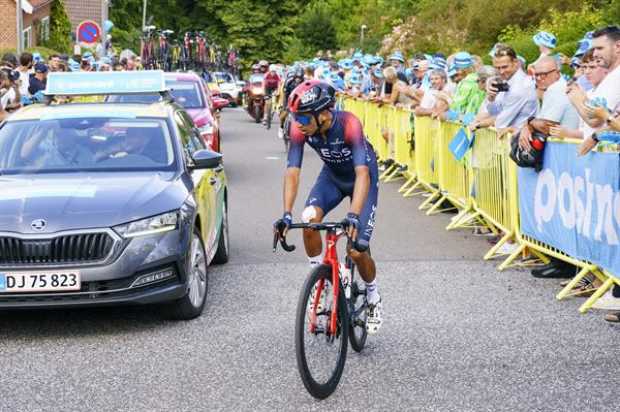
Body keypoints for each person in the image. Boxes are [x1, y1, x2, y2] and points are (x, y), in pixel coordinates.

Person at [273, 80, 383, 334]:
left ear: (323, 114)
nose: (298, 122)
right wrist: (286, 214)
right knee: (308, 219)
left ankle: (373, 295)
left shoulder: (349, 124)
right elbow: (292, 171)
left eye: (302, 117)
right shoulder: (300, 129)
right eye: (294, 116)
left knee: (356, 249)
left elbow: (363, 173)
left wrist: (353, 215)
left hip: (361, 179)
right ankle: (319, 283)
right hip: (332, 178)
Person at [486, 46, 537, 136]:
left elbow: (500, 124)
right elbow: (494, 113)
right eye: (497, 68)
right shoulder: (508, 81)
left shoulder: (520, 87)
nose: (501, 72)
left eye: (504, 67)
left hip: (520, 141)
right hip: (512, 139)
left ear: (516, 63)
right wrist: (491, 98)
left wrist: (479, 125)